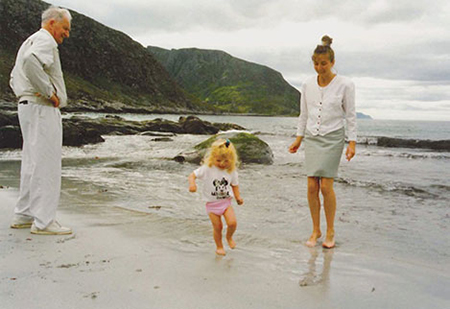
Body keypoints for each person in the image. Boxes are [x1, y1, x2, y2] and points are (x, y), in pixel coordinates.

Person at [9, 6, 72, 235]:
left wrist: (26, 91)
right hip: (41, 107)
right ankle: (44, 222)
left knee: (32, 160)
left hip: (27, 106)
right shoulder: (45, 40)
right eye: (65, 28)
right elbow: (30, 61)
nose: (67, 33)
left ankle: (23, 214)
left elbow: (15, 74)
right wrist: (49, 92)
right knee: (46, 163)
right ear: (52, 23)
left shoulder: (30, 40)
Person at [289, 35, 356, 249]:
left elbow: (351, 115)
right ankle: (315, 229)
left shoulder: (346, 84)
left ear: (332, 62)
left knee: (326, 186)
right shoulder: (307, 84)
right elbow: (304, 114)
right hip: (312, 136)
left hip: (333, 136)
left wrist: (351, 143)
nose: (319, 67)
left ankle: (330, 231)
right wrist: (299, 138)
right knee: (311, 185)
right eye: (316, 64)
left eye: (324, 63)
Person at [188, 139, 244, 255]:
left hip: (226, 203)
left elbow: (235, 184)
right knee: (218, 227)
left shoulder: (231, 171)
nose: (222, 164)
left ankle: (229, 237)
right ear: (213, 157)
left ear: (232, 160)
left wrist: (238, 197)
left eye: (226, 161)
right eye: (218, 160)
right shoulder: (207, 168)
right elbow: (192, 175)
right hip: (212, 205)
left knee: (232, 223)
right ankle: (219, 247)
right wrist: (192, 184)